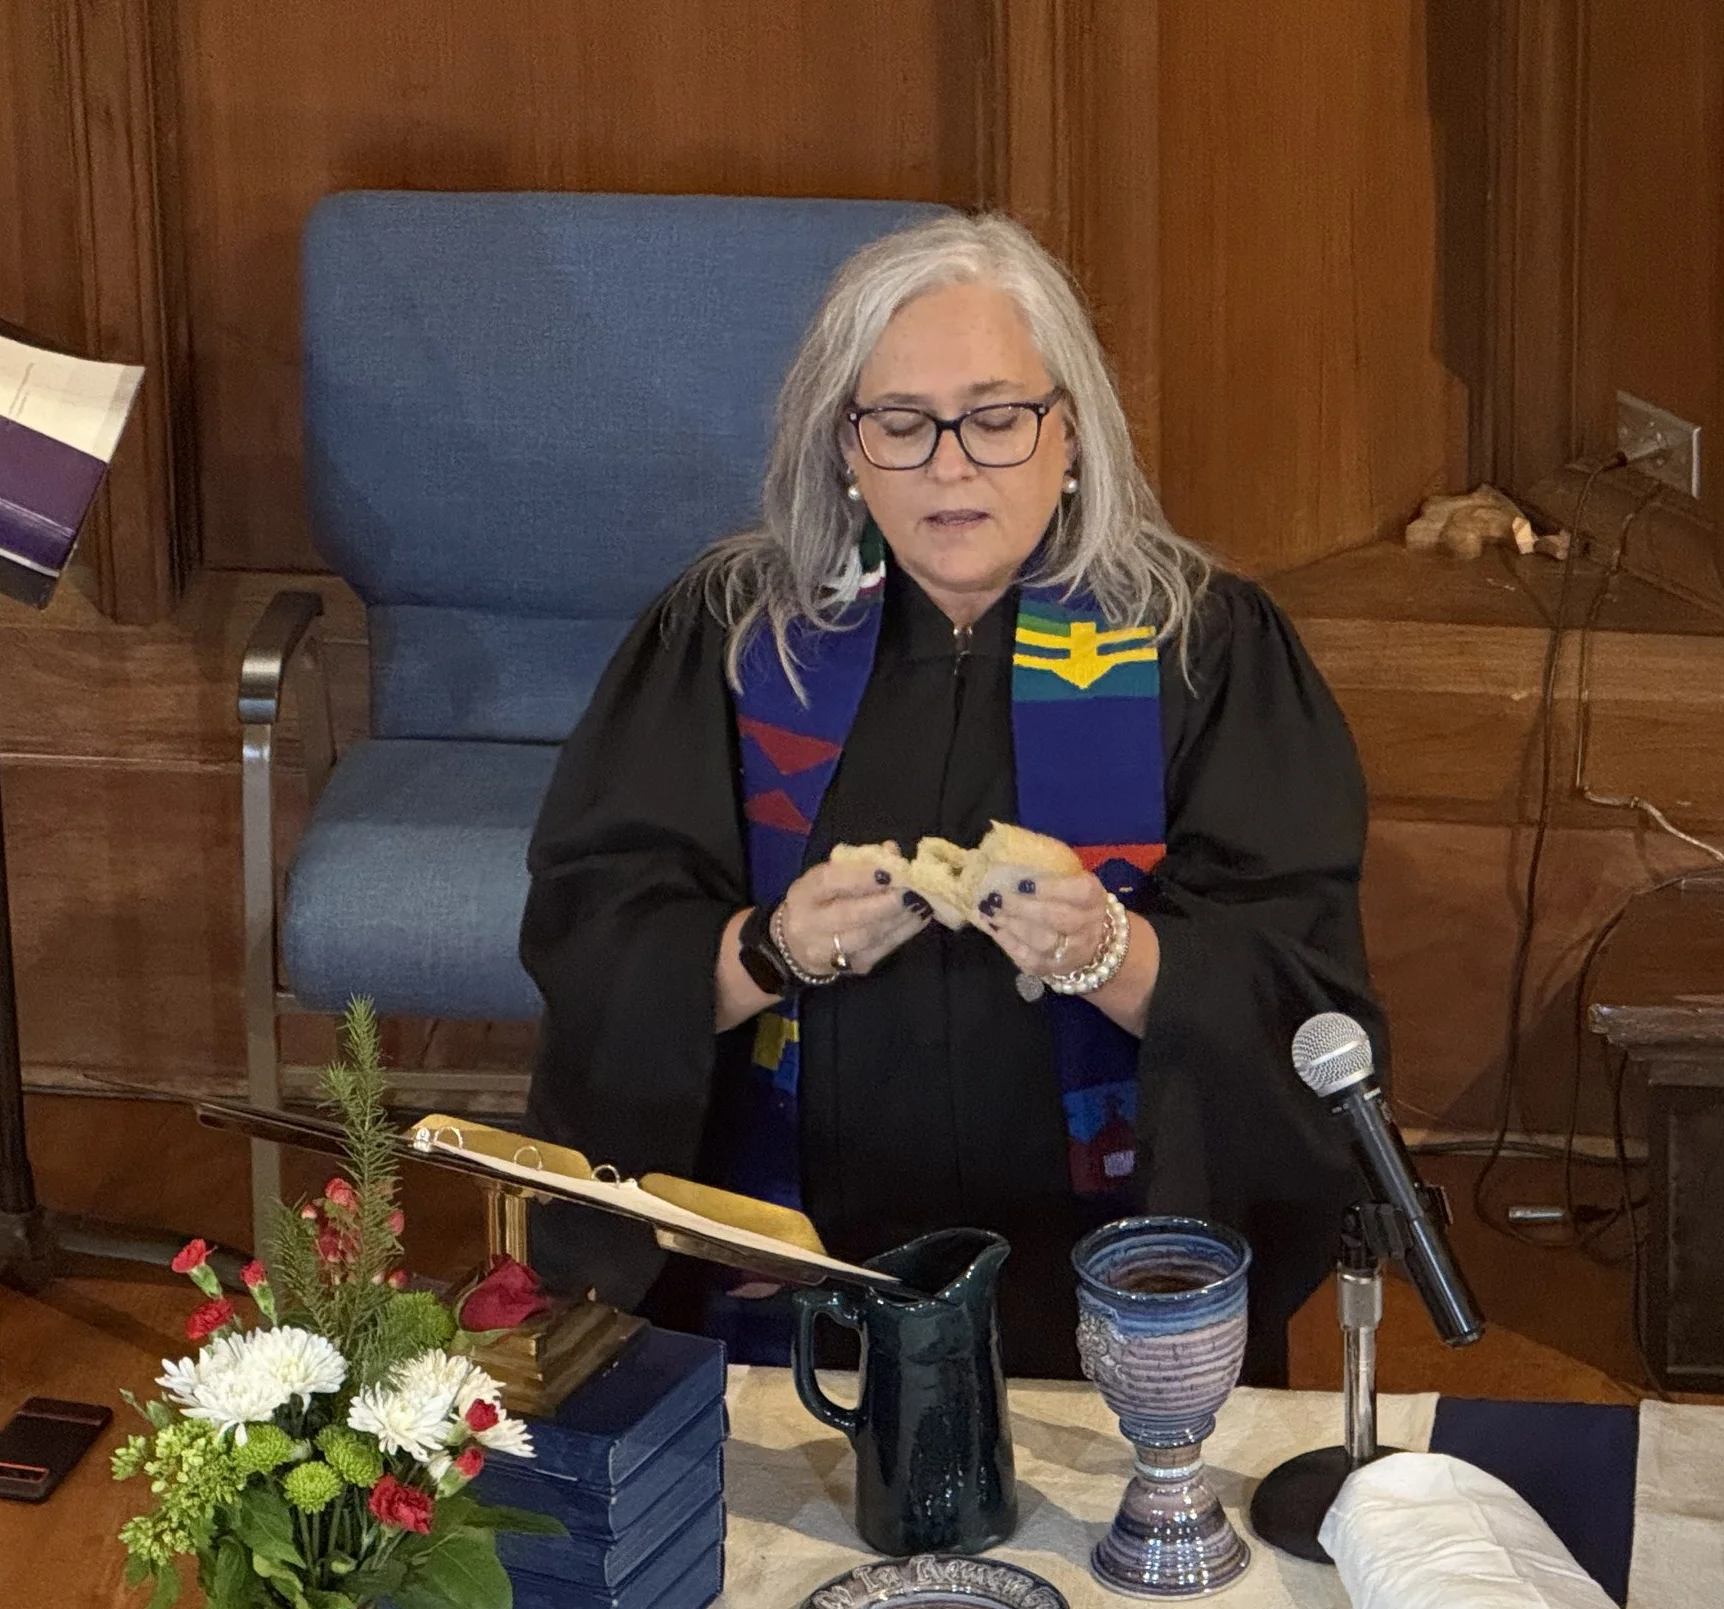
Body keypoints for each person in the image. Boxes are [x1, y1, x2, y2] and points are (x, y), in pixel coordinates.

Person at [520, 212, 1383, 1382]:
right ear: (845, 445)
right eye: (901, 423)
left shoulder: (1205, 648)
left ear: (1069, 434)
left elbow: (1301, 991)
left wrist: (1110, 954)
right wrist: (773, 949)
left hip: (1093, 1270)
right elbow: (594, 937)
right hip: (793, 1270)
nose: (949, 464)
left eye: (995, 416)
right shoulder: (731, 637)